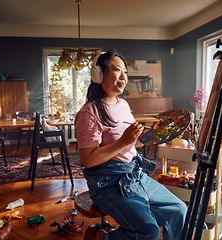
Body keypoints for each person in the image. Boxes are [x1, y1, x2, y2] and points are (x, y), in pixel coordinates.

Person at [75, 50, 187, 240]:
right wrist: (123, 141)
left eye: (125, 72)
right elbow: (88, 160)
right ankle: (103, 237)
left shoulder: (123, 105)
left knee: (178, 210)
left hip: (134, 176)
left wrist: (154, 134)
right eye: (117, 70)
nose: (123, 77)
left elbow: (133, 143)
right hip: (107, 184)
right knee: (148, 232)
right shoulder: (89, 113)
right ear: (99, 74)